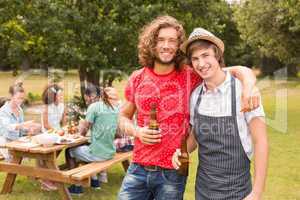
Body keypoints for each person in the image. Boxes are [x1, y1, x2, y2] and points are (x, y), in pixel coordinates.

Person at [117, 15, 260, 200]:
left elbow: (234, 70)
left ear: (178, 46)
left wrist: (249, 85)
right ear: (151, 43)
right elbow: (122, 118)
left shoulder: (191, 75)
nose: (166, 45)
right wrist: (136, 131)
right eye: (160, 40)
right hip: (137, 168)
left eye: (172, 40)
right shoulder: (137, 77)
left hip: (173, 172)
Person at [172, 27, 268, 200]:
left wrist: (257, 193)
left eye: (205, 55)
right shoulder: (196, 96)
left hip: (238, 192)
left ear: (217, 55)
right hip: (203, 191)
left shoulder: (244, 91)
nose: (201, 63)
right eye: (195, 59)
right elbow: (195, 135)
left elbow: (261, 142)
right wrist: (182, 149)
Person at [66, 85, 120, 195]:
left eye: (86, 100)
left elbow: (83, 132)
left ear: (92, 97)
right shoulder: (114, 108)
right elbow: (115, 132)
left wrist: (77, 133)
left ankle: (76, 186)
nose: (87, 103)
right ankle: (94, 182)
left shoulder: (94, 107)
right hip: (110, 152)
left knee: (69, 151)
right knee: (86, 147)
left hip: (99, 155)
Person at [0, 82, 40, 161]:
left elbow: (21, 129)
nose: (21, 101)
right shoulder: (3, 111)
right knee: (17, 162)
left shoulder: (19, 110)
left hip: (17, 142)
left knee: (37, 153)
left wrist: (29, 129)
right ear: (11, 96)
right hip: (5, 143)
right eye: (18, 98)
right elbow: (9, 127)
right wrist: (24, 124)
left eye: (22, 98)